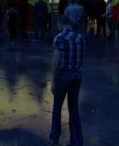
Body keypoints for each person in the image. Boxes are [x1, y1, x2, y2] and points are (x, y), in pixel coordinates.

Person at [49, 15, 84, 146]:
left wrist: (53, 81)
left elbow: (56, 62)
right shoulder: (80, 38)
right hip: (77, 75)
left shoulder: (60, 38)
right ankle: (76, 141)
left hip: (63, 76)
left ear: (60, 23)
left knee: (57, 107)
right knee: (74, 109)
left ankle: (54, 136)